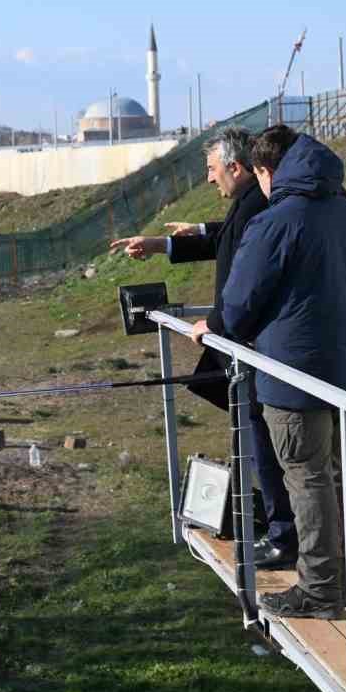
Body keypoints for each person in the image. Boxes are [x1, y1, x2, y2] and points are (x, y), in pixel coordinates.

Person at [198, 125, 346, 620]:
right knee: (334, 475)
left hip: (292, 372)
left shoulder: (276, 221)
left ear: (265, 170)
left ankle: (319, 589)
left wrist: (214, 326)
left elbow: (239, 303)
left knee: (307, 479)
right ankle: (339, 580)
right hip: (345, 367)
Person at [110, 127, 296, 569]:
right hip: (253, 339)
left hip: (252, 343)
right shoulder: (251, 202)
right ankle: (289, 524)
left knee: (268, 438)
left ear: (237, 167)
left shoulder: (260, 205)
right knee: (270, 435)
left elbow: (247, 271)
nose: (210, 180)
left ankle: (284, 532)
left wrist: (215, 324)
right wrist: (164, 243)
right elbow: (224, 238)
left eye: (212, 170)